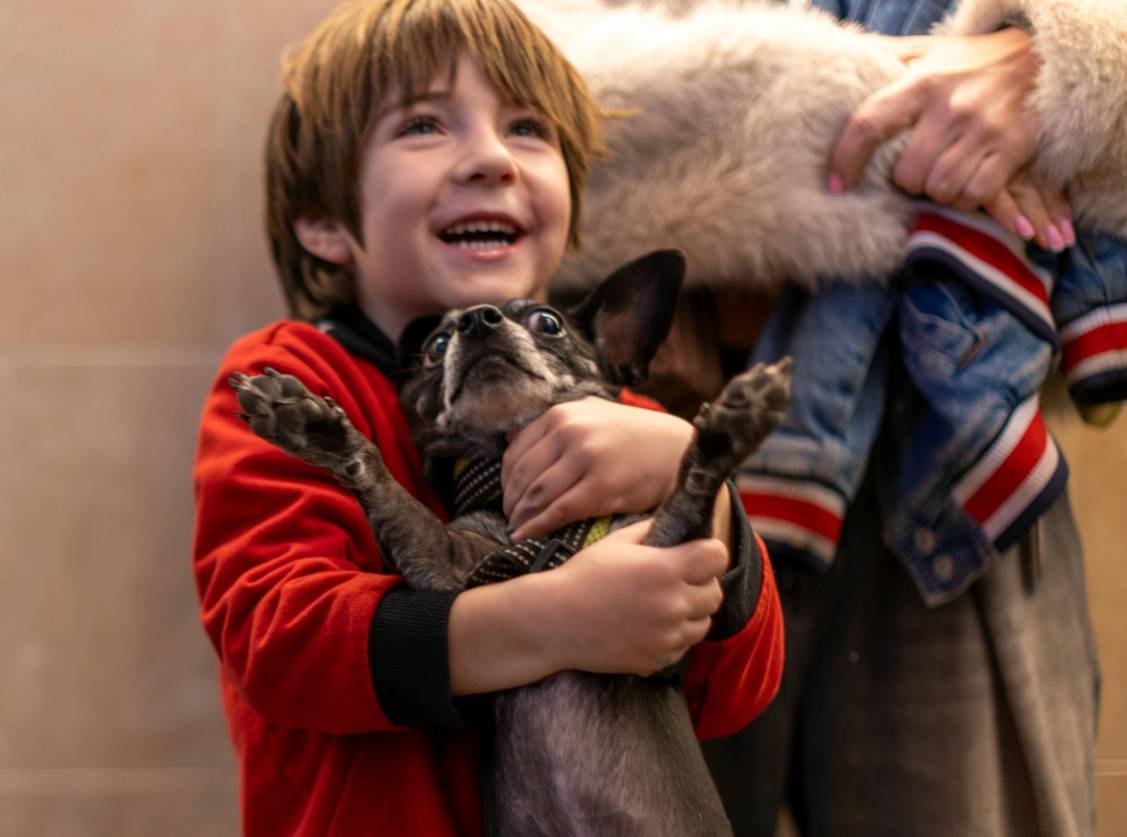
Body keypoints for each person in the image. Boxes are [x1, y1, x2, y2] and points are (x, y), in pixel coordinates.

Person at [509, 0, 1127, 834]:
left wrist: (1062, 69)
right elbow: (514, 131)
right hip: (643, 473)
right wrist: (962, 107)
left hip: (946, 479)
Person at [190, 1, 785, 834]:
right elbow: (281, 642)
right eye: (426, 124)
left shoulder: (623, 419)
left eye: (528, 128)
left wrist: (700, 486)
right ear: (326, 223)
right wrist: (555, 619)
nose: (492, 159)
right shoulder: (294, 382)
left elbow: (734, 693)